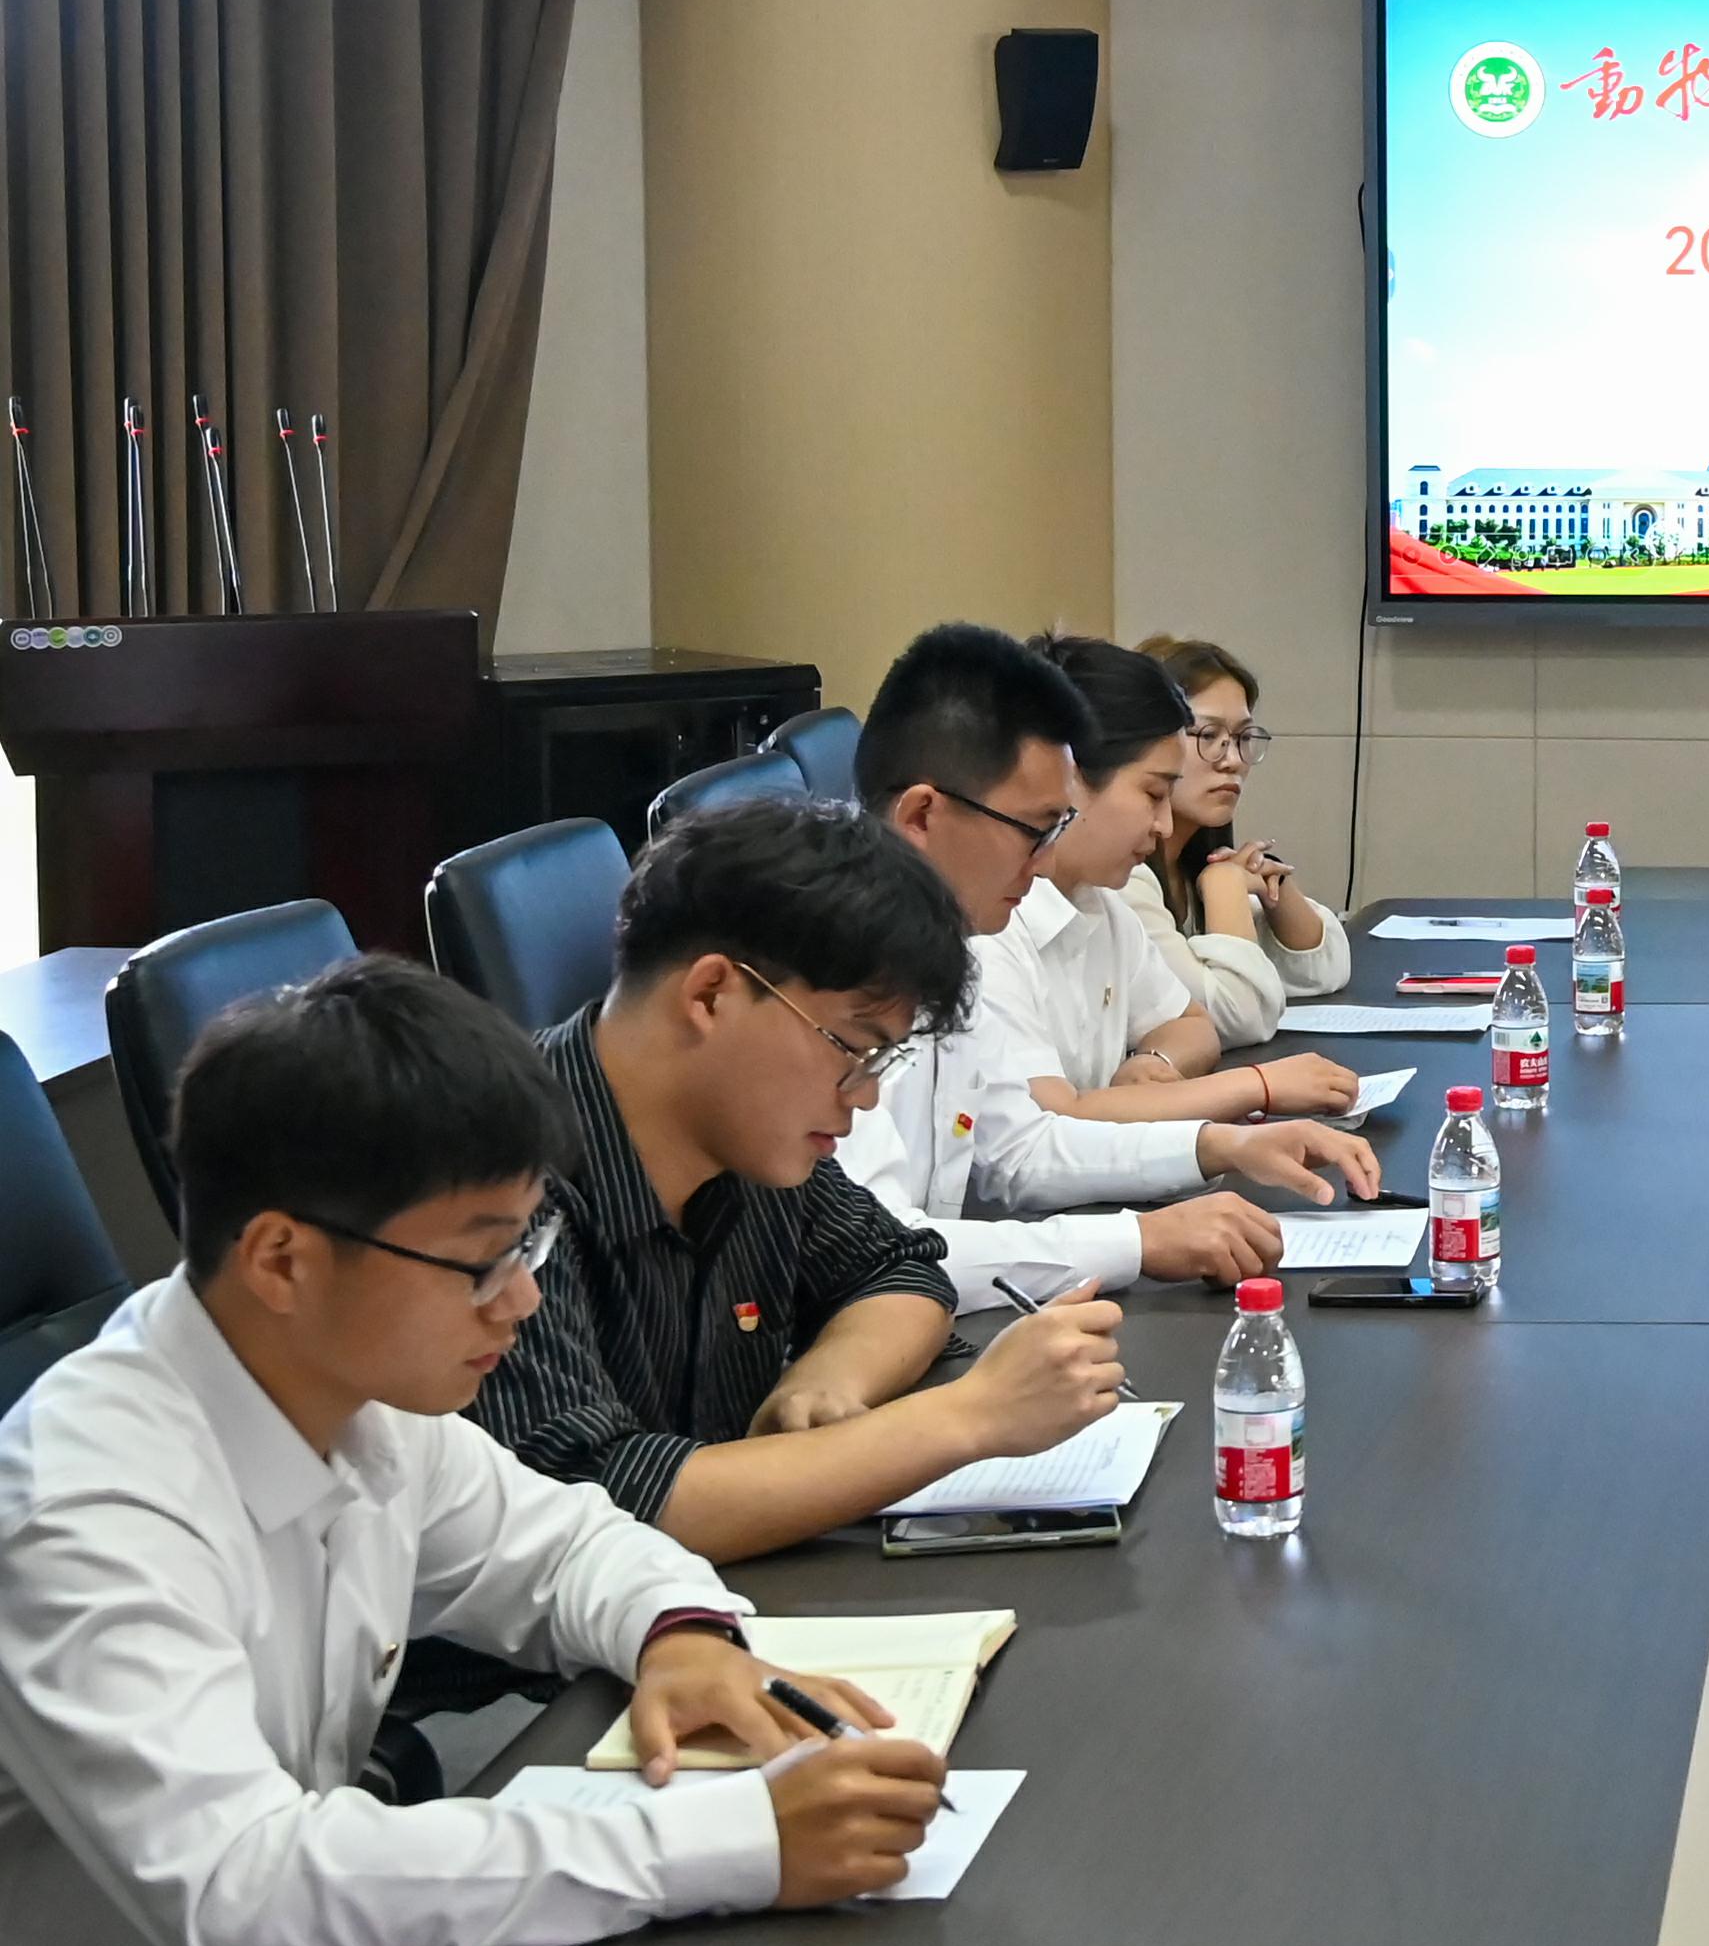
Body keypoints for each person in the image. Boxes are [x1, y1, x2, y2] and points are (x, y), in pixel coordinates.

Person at [0, 960, 949, 1946]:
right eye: (482, 1261)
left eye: (530, 1242)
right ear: (281, 1260)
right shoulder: (88, 1509)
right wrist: (734, 1842)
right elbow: (241, 1885)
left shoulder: (351, 1395)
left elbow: (567, 1544)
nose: (522, 1300)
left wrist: (681, 1634)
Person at [464, 799, 1131, 1562]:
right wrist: (970, 1417)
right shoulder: (489, 1181)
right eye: (853, 1048)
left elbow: (899, 1268)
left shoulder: (744, 1136)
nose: (866, 1096)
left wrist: (827, 1384)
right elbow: (589, 1506)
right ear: (710, 995)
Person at [849, 622, 1377, 1308]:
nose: (1045, 858)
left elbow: (1020, 1151)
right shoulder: (833, 976)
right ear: (923, 816)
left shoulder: (948, 943)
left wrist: (1214, 1147)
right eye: (1035, 828)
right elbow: (878, 1252)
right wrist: (1139, 1241)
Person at [1131, 631, 1353, 1051]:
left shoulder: (1195, 864)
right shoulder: (1124, 880)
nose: (1232, 760)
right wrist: (1227, 888)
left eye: (1242, 738)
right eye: (1208, 736)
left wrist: (1275, 890)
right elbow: (1240, 1016)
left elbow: (1325, 972)